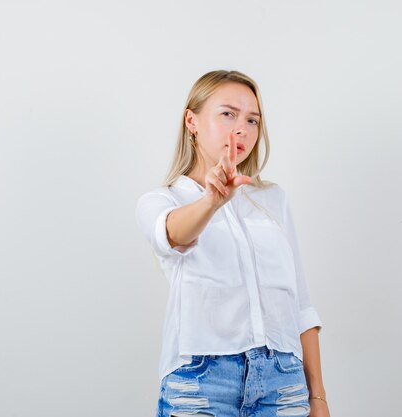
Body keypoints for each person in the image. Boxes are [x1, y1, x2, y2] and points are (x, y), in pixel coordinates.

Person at [135, 70, 330, 417]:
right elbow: (173, 235)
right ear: (191, 121)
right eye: (228, 114)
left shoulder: (273, 200)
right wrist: (212, 200)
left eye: (252, 120)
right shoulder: (162, 200)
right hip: (201, 381)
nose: (242, 129)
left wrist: (318, 398)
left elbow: (299, 304)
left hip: (282, 382)